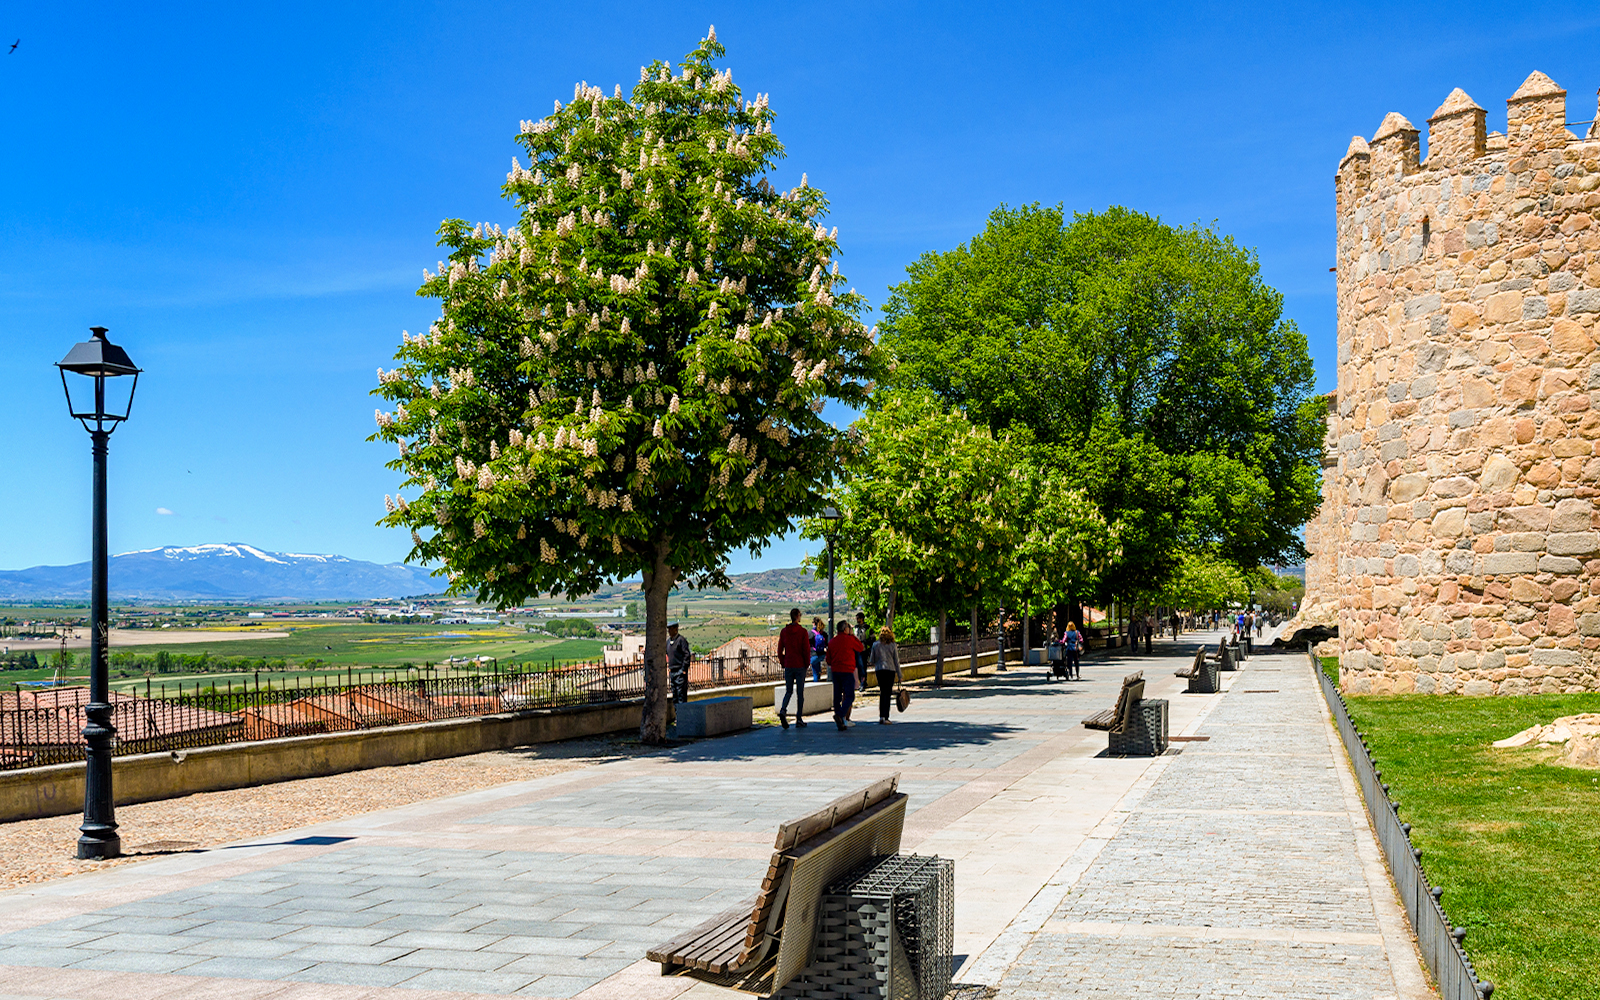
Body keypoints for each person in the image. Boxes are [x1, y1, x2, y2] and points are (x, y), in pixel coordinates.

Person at [776, 608, 811, 729]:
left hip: (789, 664)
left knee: (788, 691)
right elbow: (806, 650)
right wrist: (807, 664)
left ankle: (783, 710)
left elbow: (780, 649)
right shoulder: (802, 632)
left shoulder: (784, 631)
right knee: (800, 693)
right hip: (800, 665)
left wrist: (783, 662)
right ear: (797, 616)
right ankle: (799, 718)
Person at [827, 619, 864, 730]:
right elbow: (860, 648)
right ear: (845, 629)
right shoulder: (849, 639)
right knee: (849, 695)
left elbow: (828, 659)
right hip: (847, 670)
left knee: (837, 696)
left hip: (836, 671)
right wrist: (852, 636)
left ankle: (840, 721)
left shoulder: (832, 642)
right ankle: (841, 715)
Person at [870, 626, 903, 723]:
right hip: (890, 670)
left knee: (882, 692)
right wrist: (900, 675)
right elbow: (896, 661)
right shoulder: (892, 645)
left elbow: (872, 660)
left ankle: (881, 716)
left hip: (879, 670)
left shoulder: (875, 645)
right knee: (887, 693)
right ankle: (886, 717)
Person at [666, 622, 691, 706]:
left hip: (680, 672)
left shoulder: (681, 640)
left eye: (671, 629)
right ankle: (677, 716)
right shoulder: (668, 642)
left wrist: (684, 669)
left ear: (676, 629)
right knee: (675, 696)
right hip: (672, 672)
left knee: (681, 696)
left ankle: (682, 716)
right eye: (668, 629)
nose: (669, 631)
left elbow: (687, 654)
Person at [809, 617, 828, 682]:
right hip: (822, 655)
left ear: (814, 623)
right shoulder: (824, 634)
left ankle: (816, 684)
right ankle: (819, 674)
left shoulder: (810, 633)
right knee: (818, 669)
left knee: (815, 673)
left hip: (814, 655)